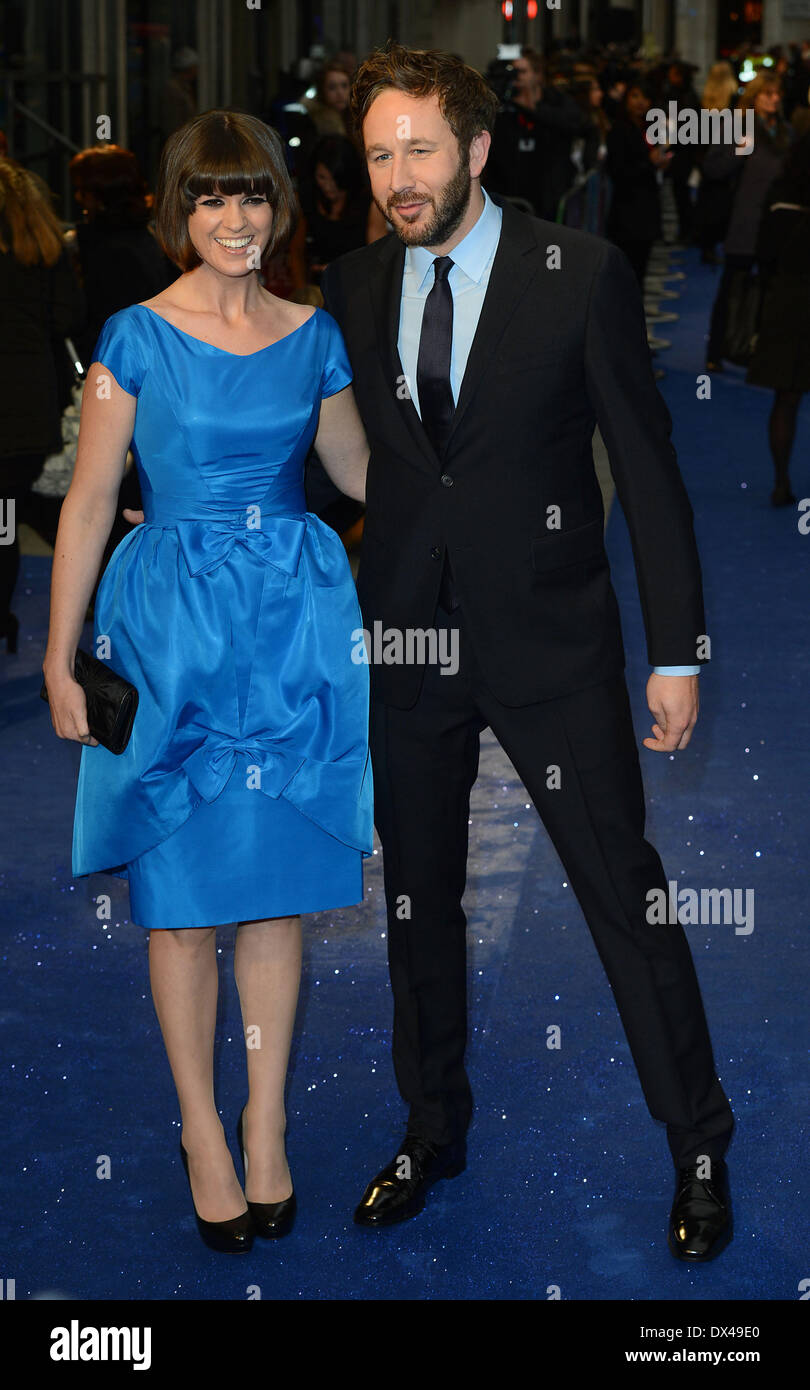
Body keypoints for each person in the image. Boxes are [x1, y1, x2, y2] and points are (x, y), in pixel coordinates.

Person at [320, 40, 734, 1262]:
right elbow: (357, 465)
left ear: (478, 151)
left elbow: (650, 477)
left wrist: (678, 651)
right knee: (417, 903)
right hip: (411, 644)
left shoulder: (579, 274)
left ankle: (698, 1140)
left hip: (553, 646)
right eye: (381, 154)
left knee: (626, 895)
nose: (400, 176)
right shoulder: (349, 283)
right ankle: (431, 1125)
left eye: (422, 151)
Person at [41, 110, 373, 1253]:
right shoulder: (132, 335)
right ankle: (202, 1130)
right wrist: (58, 651)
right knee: (181, 909)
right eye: (211, 199)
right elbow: (88, 501)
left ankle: (267, 1122)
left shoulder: (317, 335)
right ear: (179, 210)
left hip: (290, 627)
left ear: (283, 207)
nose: (236, 221)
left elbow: (359, 471)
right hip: (170, 629)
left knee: (276, 895)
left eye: (255, 198)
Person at [0, 159, 85, 652]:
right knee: (5, 521)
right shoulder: (42, 248)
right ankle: (2, 617)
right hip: (28, 410)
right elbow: (69, 315)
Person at [705, 73, 793, 371]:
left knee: (770, 291)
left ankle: (757, 351)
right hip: (744, 219)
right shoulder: (738, 125)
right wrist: (740, 149)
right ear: (754, 96)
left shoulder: (785, 131)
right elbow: (713, 168)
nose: (774, 98)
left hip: (777, 223)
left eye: (777, 93)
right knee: (731, 285)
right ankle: (715, 351)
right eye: (767, 93)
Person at [746, 130, 810, 505]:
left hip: (786, 303)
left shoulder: (779, 198)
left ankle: (781, 483)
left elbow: (763, 255)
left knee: (785, 399)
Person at [605, 78, 670, 287]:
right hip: (628, 209)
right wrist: (648, 163)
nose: (640, 102)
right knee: (627, 269)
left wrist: (658, 164)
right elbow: (618, 170)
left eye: (644, 97)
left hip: (647, 204)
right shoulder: (620, 129)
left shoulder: (647, 128)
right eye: (635, 96)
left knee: (640, 268)